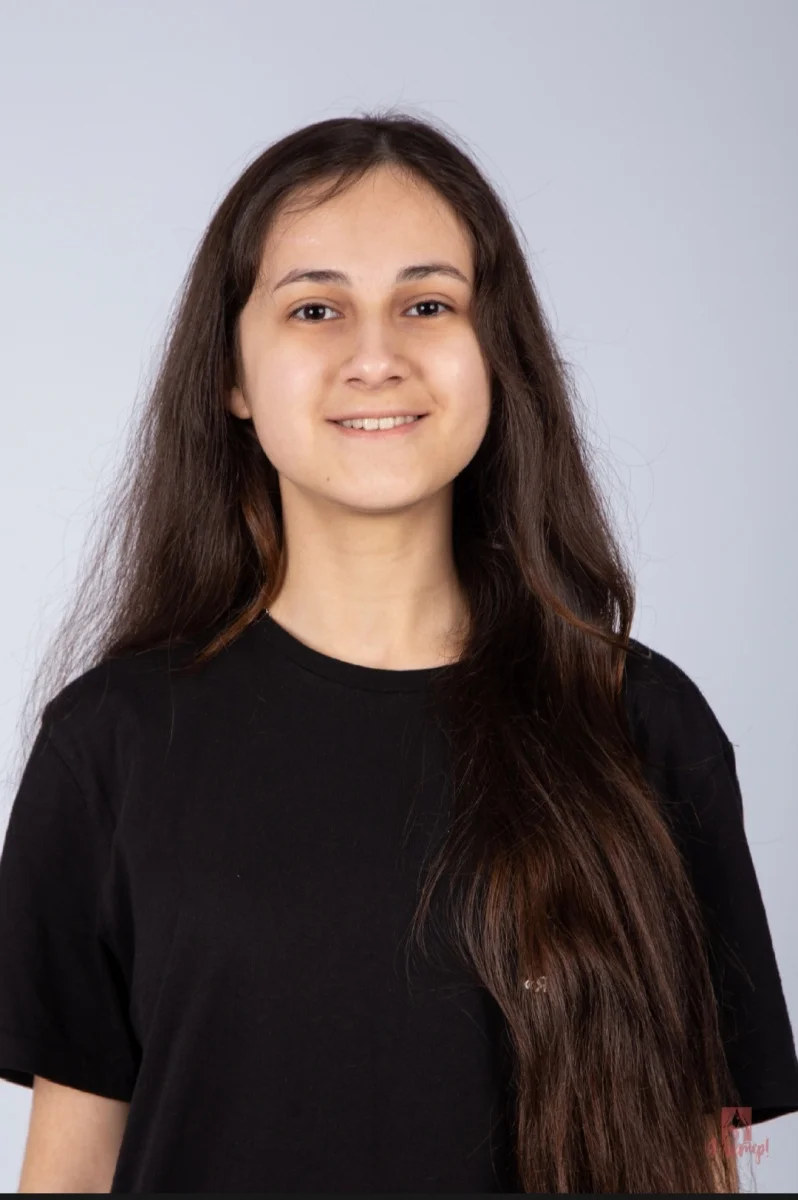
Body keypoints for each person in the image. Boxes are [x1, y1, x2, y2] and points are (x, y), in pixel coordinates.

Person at [0, 109, 796, 1194]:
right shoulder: (110, 745)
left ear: (495, 355)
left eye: (428, 305)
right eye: (314, 309)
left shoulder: (641, 726)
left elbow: (704, 1161)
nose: (376, 357)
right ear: (233, 376)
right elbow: (70, 1169)